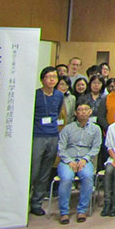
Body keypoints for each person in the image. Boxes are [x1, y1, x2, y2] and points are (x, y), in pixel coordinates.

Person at [56, 99, 101, 224]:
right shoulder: (67, 129)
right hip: (67, 161)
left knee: (87, 177)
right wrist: (69, 161)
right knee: (66, 178)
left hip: (85, 160)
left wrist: (85, 159)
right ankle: (64, 212)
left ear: (90, 112)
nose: (83, 113)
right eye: (80, 110)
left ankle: (82, 210)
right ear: (76, 113)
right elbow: (61, 148)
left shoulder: (96, 129)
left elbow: (95, 148)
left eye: (86, 110)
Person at [29, 67, 64, 216]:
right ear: (42, 79)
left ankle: (37, 202)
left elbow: (58, 113)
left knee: (45, 171)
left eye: (54, 77)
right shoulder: (36, 94)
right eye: (48, 77)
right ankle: (24, 201)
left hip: (53, 135)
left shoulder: (58, 95)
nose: (51, 80)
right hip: (38, 135)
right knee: (34, 170)